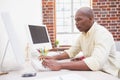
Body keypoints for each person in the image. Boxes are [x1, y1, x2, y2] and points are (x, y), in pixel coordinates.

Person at [39, 7, 120, 77]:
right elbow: (71, 52)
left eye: (79, 19)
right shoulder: (83, 35)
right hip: (95, 72)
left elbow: (96, 62)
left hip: (108, 74)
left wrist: (60, 65)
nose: (76, 23)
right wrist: (53, 57)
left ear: (91, 19)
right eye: (75, 20)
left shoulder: (102, 33)